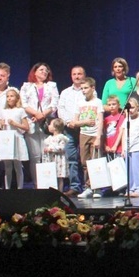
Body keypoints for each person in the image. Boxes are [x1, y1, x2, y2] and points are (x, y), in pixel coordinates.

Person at [20, 62, 59, 186]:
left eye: (46, 70)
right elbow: (24, 104)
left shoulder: (52, 86)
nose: (44, 72)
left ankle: (48, 183)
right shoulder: (27, 86)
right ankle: (37, 184)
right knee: (35, 156)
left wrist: (43, 114)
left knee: (46, 154)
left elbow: (54, 103)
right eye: (41, 70)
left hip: (46, 123)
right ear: (35, 72)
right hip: (31, 123)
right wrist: (36, 114)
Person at [57, 66, 87, 197]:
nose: (77, 76)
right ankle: (75, 186)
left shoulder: (88, 90)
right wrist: (69, 122)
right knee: (72, 159)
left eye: (79, 74)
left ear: (84, 75)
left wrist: (79, 122)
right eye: (74, 74)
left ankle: (87, 186)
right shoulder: (65, 92)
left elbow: (90, 109)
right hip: (69, 128)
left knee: (85, 159)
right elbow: (61, 109)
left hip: (85, 129)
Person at [75, 77, 104, 199]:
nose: (83, 90)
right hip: (84, 134)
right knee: (84, 162)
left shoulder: (97, 102)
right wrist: (85, 121)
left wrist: (98, 137)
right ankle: (87, 187)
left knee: (95, 162)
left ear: (93, 88)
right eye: (82, 88)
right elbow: (75, 122)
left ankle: (96, 188)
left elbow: (100, 120)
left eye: (86, 88)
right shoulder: (80, 103)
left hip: (94, 134)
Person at [0, 88, 30, 190]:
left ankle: (20, 188)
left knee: (18, 166)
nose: (9, 98)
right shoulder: (3, 111)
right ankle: (7, 189)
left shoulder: (20, 110)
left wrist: (15, 124)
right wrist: (1, 124)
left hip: (17, 139)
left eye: (11, 96)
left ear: (16, 98)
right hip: (7, 140)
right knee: (7, 167)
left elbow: (26, 127)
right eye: (7, 96)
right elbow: (1, 126)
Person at [122, 97, 139, 197]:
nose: (130, 110)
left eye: (132, 107)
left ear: (137, 108)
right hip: (128, 149)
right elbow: (123, 134)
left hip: (137, 148)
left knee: (137, 169)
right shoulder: (126, 120)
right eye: (128, 108)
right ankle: (130, 188)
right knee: (129, 170)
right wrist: (124, 149)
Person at [43, 118, 69, 193]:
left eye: (50, 124)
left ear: (55, 128)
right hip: (51, 160)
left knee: (59, 177)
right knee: (52, 176)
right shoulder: (49, 138)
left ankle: (60, 192)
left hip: (59, 160)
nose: (48, 126)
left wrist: (50, 149)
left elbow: (61, 148)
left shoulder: (61, 137)